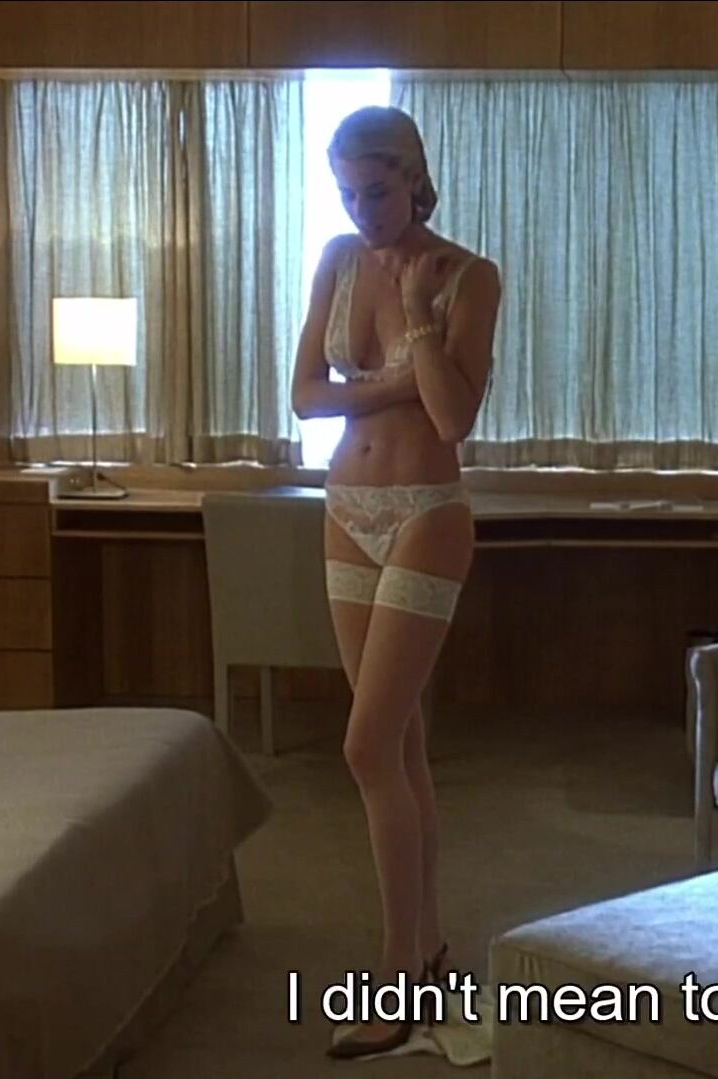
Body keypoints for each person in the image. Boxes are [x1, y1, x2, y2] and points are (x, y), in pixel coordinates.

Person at [290, 105, 501, 1060]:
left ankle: (395, 981)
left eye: (375, 191)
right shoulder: (338, 259)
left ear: (414, 178)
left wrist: (417, 319)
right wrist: (396, 381)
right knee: (400, 744)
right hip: (347, 511)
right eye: (345, 193)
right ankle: (430, 948)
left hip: (425, 512)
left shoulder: (466, 275)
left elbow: (452, 417)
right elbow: (305, 396)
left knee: (366, 744)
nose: (361, 210)